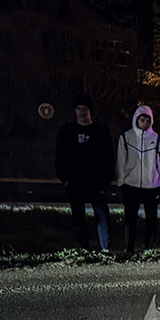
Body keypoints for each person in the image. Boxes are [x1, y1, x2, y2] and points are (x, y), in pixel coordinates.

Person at [55, 93, 113, 253]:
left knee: (102, 216)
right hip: (75, 181)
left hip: (96, 181)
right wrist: (65, 179)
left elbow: (109, 157)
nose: (82, 112)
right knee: (78, 217)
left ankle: (105, 248)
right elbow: (60, 156)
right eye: (79, 108)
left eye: (85, 108)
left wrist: (106, 180)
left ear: (90, 110)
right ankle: (84, 249)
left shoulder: (100, 132)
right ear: (75, 111)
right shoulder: (67, 131)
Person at [116, 105, 160, 257]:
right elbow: (120, 160)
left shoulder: (157, 139)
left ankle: (148, 248)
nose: (144, 123)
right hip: (131, 184)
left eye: (147, 120)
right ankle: (129, 248)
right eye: (141, 119)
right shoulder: (126, 137)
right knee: (130, 218)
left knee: (151, 218)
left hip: (151, 185)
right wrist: (121, 181)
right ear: (136, 119)